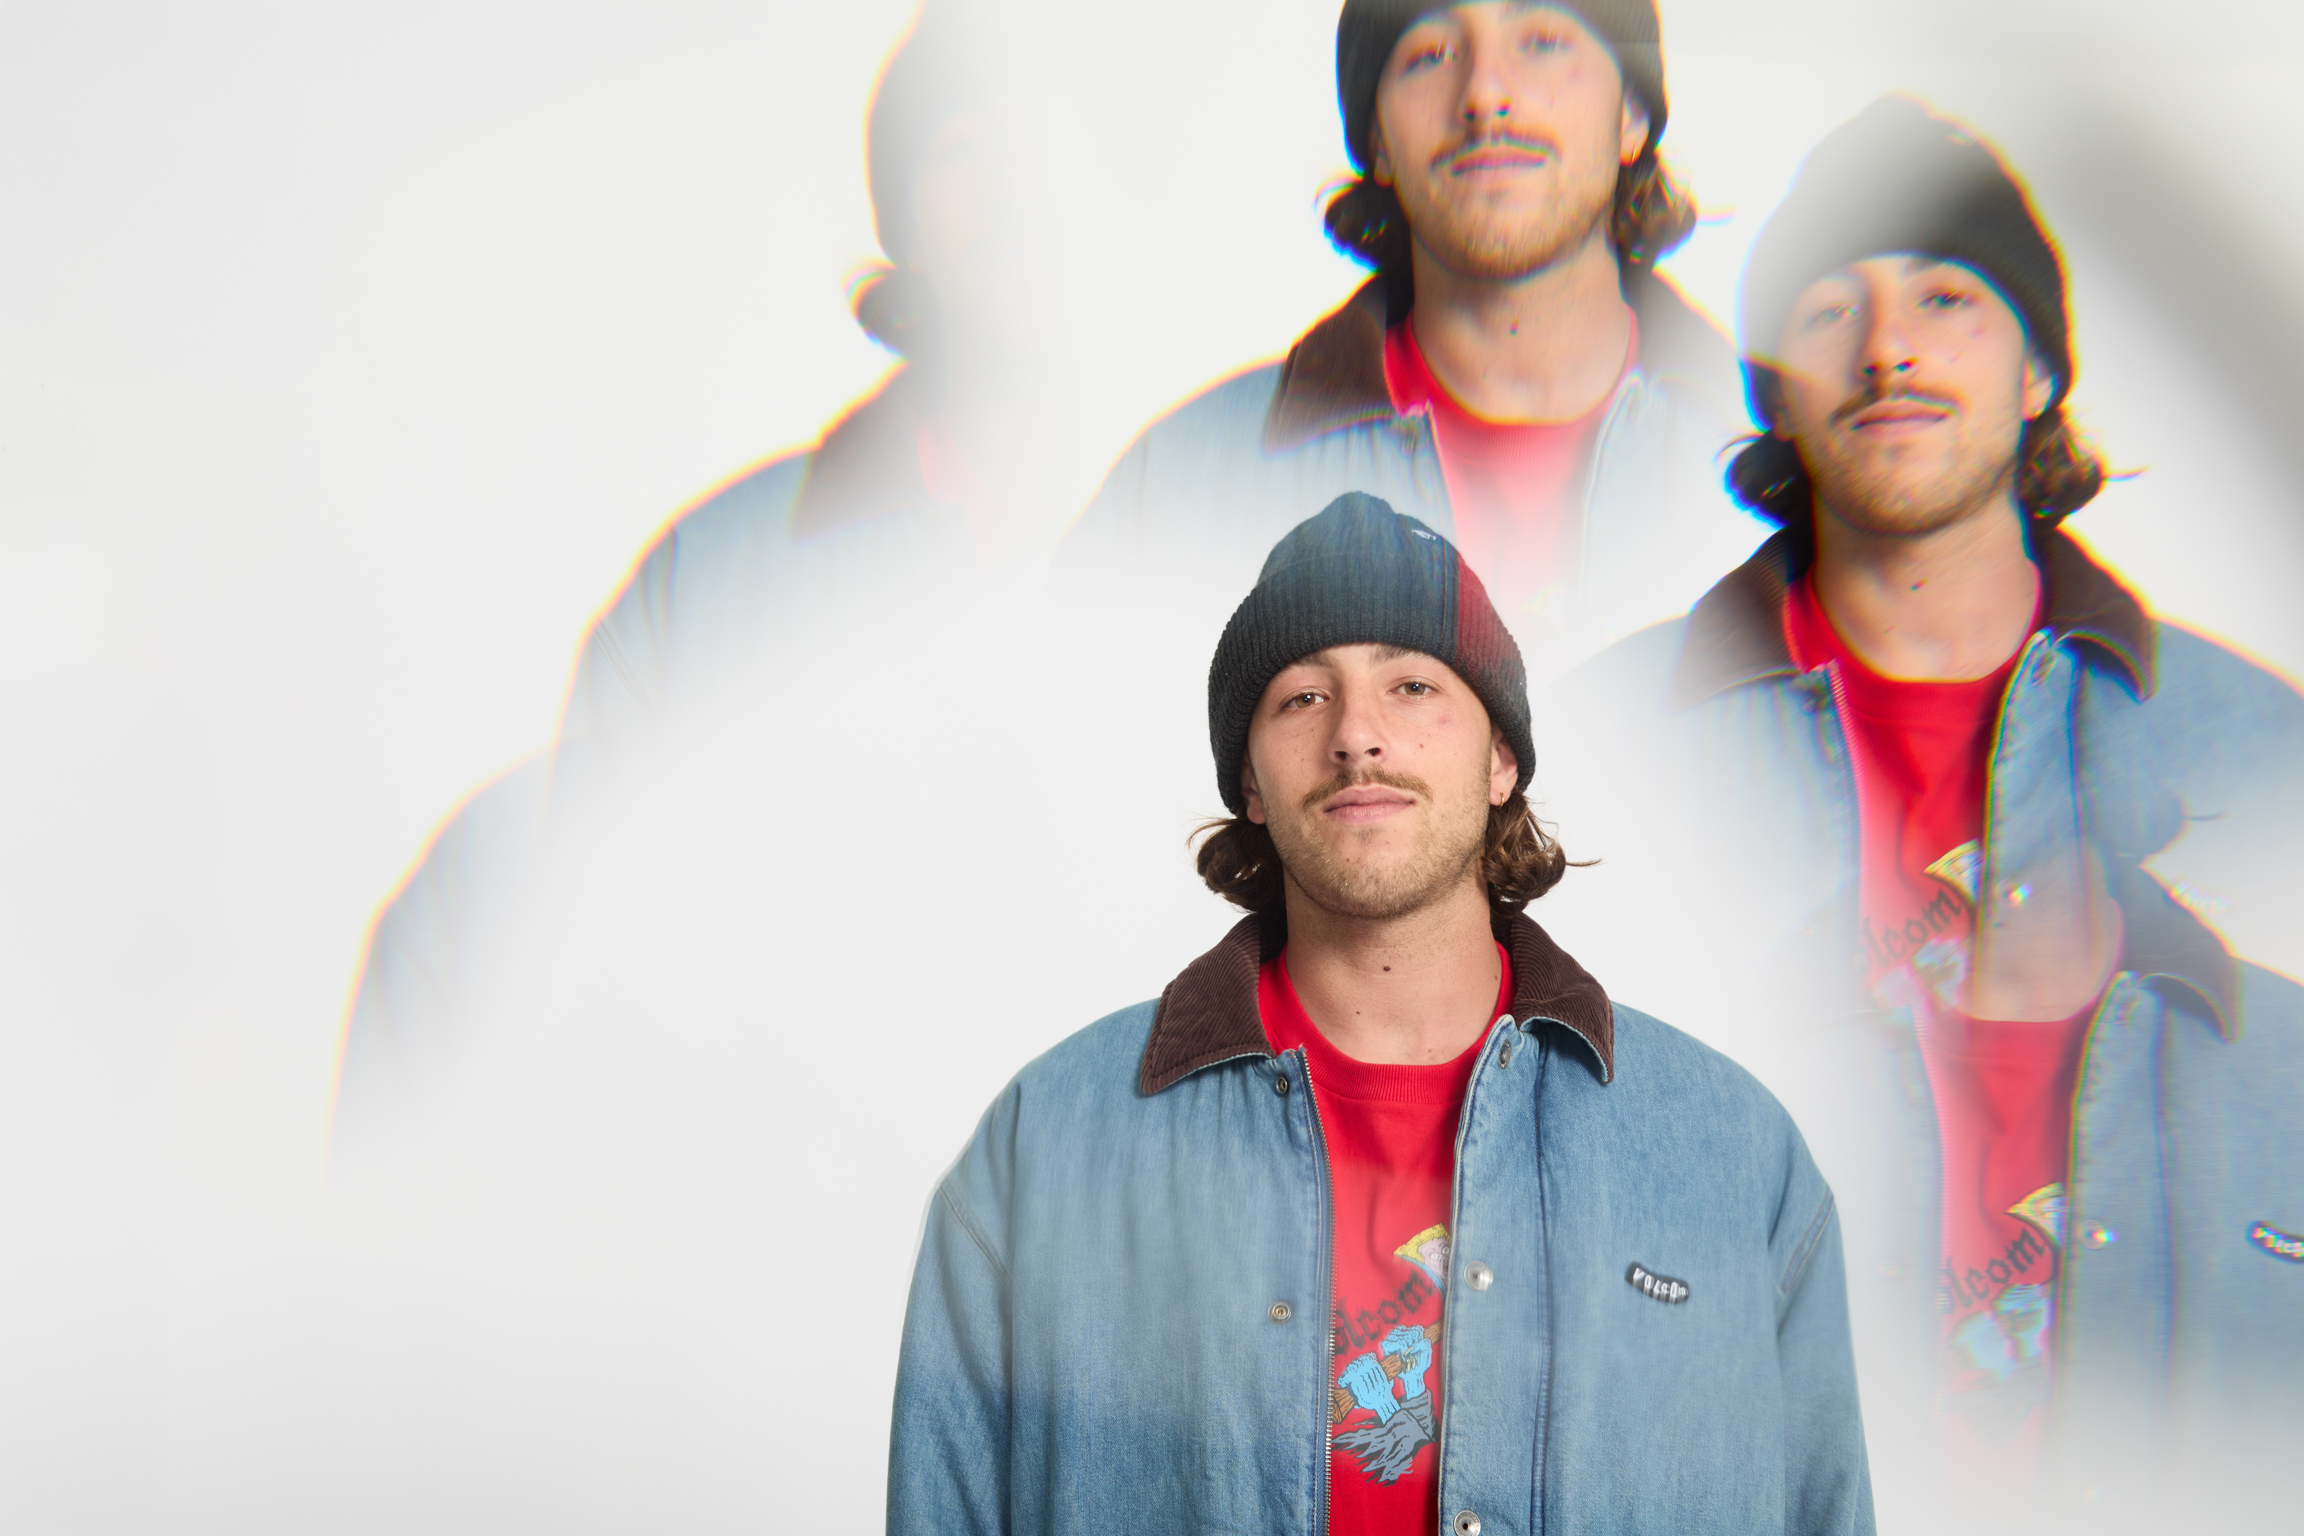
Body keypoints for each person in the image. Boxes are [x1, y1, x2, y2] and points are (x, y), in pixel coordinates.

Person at [1532, 97, 2304, 1524]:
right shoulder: (1590, 755)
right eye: (1833, 309)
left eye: (1947, 299)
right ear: (1773, 383)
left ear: (2038, 371)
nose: (1888, 347)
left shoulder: (2259, 749)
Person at [888, 493, 1873, 1536]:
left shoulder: (1728, 1151)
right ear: (1252, 785)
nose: (1358, 736)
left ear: (1501, 760)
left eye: (1412, 685)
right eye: (1304, 699)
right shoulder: (1049, 1148)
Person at [1057, 0, 1763, 690]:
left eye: (1543, 39)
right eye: (1431, 53)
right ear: (1378, 141)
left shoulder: (1793, 467)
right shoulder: (1176, 493)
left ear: (1633, 113)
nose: (1485, 94)